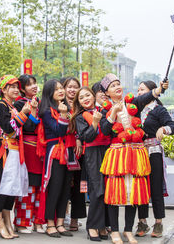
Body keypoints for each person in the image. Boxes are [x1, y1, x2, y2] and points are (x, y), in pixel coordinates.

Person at [99, 73, 168, 244]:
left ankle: (128, 230)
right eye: (113, 86)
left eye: (118, 84)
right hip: (117, 154)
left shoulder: (132, 104)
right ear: (107, 92)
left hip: (136, 153)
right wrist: (112, 113)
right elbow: (105, 131)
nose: (117, 87)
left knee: (133, 193)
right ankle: (115, 231)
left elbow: (147, 96)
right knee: (115, 192)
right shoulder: (104, 108)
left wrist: (159, 89)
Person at [0, 75, 36, 239]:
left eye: (17, 86)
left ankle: (8, 222)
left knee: (11, 189)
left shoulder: (11, 106)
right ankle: (0, 224)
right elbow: (9, 129)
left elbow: (21, 127)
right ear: (3, 89)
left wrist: (26, 114)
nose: (15, 89)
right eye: (11, 86)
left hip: (14, 151)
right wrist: (23, 114)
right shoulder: (0, 105)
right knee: (2, 187)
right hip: (4, 151)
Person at [135, 81, 174, 238]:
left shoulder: (159, 110)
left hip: (154, 152)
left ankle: (158, 223)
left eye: (142, 90)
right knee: (140, 188)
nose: (139, 93)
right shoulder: (136, 110)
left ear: (152, 91)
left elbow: (173, 127)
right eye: (138, 90)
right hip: (139, 153)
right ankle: (142, 222)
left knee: (155, 187)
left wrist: (163, 129)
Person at [69, 87, 111, 241]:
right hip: (93, 154)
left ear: (93, 96)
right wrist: (94, 123)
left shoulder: (105, 111)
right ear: (78, 102)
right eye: (81, 98)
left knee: (107, 189)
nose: (85, 99)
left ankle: (103, 225)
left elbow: (108, 131)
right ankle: (92, 226)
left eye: (88, 95)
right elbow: (87, 137)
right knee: (97, 190)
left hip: (108, 150)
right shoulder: (80, 117)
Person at [38, 79, 73, 238]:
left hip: (68, 151)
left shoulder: (68, 108)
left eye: (61, 88)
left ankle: (60, 222)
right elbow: (59, 131)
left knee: (66, 188)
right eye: (56, 89)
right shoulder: (46, 111)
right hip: (55, 152)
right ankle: (50, 223)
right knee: (54, 187)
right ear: (49, 93)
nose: (61, 91)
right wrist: (64, 115)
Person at [13, 74, 45, 234]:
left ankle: (37, 220)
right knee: (28, 185)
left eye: (34, 83)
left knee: (39, 186)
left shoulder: (40, 103)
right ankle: (22, 221)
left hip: (40, 148)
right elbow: (29, 127)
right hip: (28, 146)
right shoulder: (20, 104)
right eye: (29, 84)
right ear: (22, 88)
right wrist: (32, 110)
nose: (33, 86)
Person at [62, 77, 86, 231]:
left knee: (77, 185)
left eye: (75, 87)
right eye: (69, 87)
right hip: (63, 150)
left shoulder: (82, 107)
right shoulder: (59, 105)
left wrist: (78, 138)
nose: (72, 90)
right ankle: (62, 215)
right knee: (63, 185)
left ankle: (74, 219)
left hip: (79, 151)